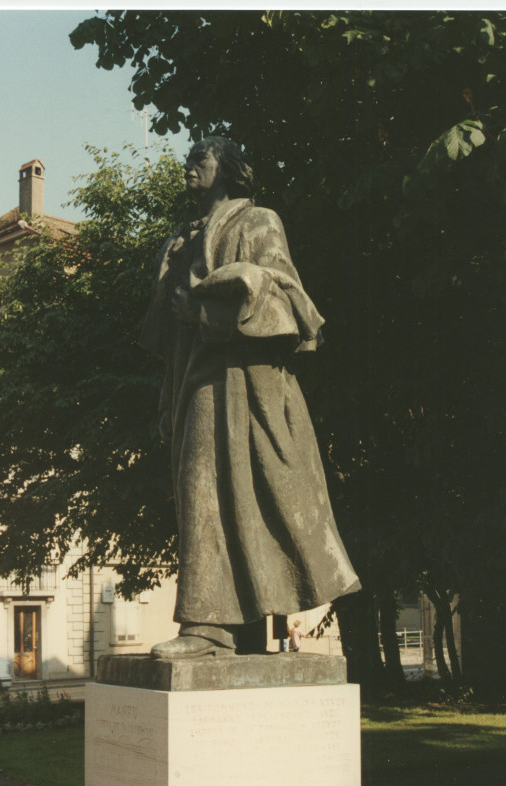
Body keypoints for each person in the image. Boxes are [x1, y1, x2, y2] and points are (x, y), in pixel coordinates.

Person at [141, 136, 360, 659]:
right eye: (189, 158)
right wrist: (168, 400)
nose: (189, 166)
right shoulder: (179, 239)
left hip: (243, 382)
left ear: (228, 169)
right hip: (196, 382)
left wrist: (208, 313)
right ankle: (223, 626)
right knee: (200, 498)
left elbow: (289, 304)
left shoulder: (258, 222)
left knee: (216, 494)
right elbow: (169, 340)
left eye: (201, 158)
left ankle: (206, 627)